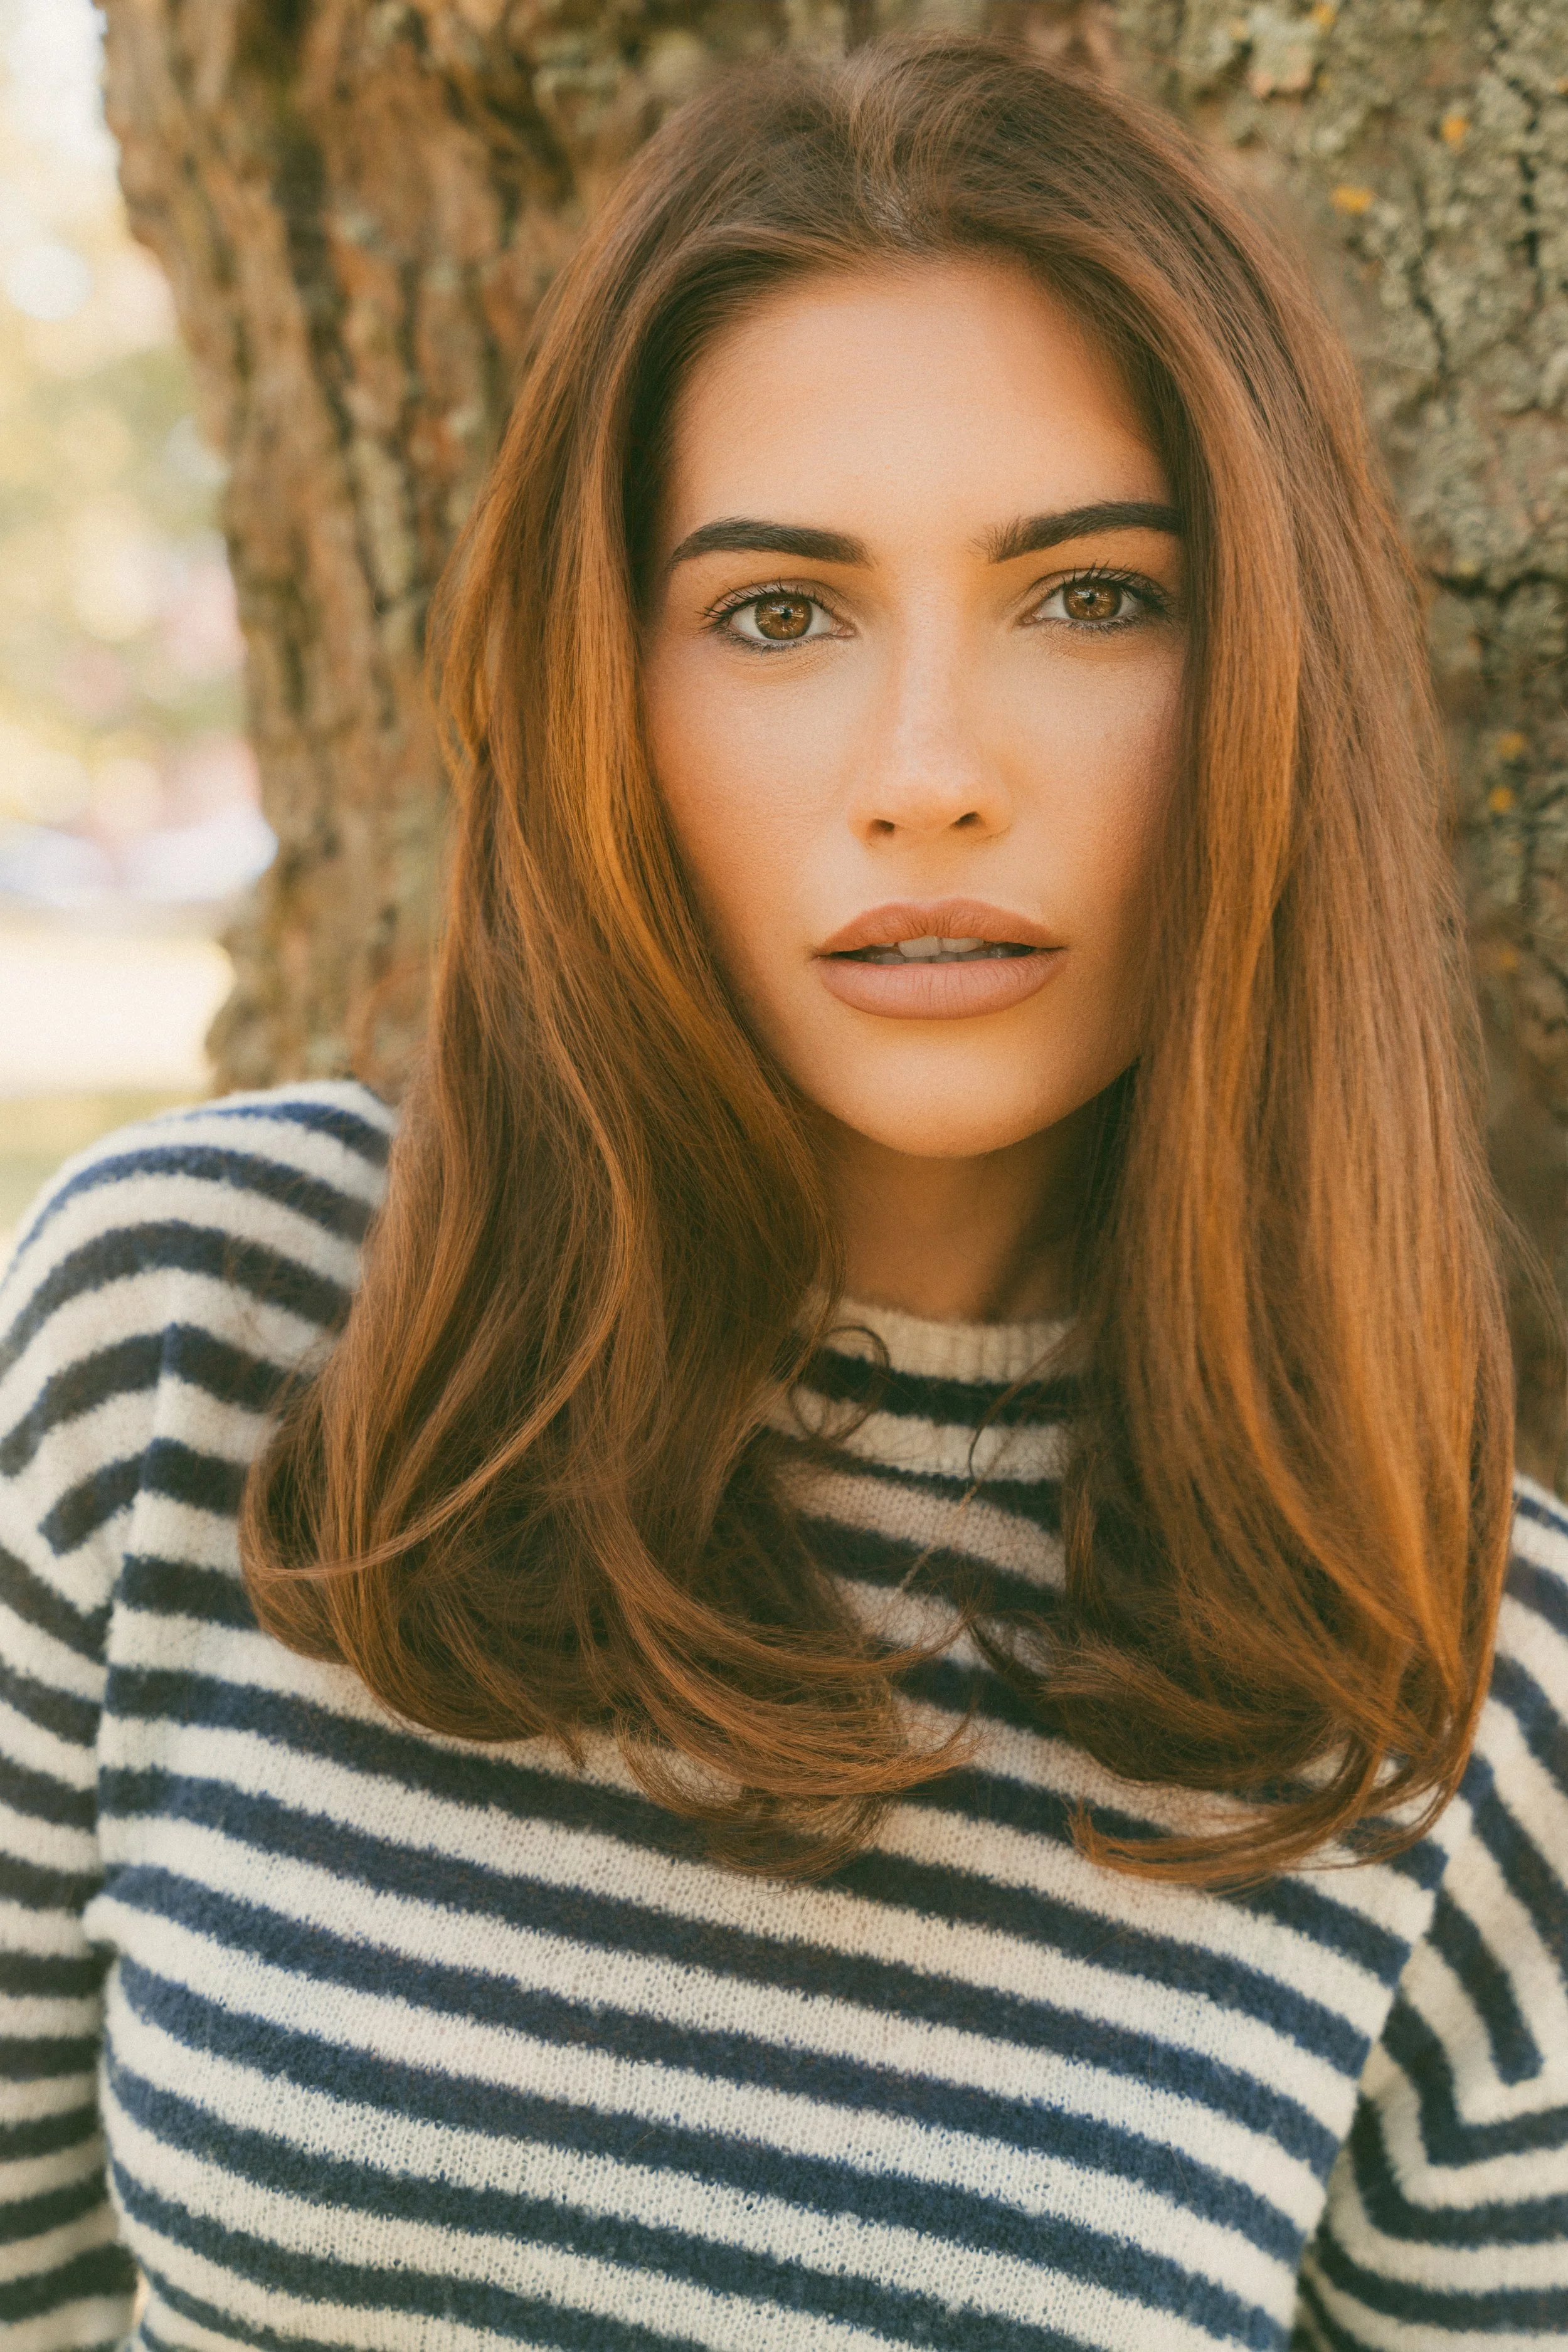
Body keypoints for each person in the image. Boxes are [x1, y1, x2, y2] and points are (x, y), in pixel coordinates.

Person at [2, 34, 1564, 2352]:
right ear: (598, 694)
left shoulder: (1462, 1675)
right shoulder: (187, 1335)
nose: (927, 776)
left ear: (1268, 681)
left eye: (1090, 598)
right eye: (774, 613)